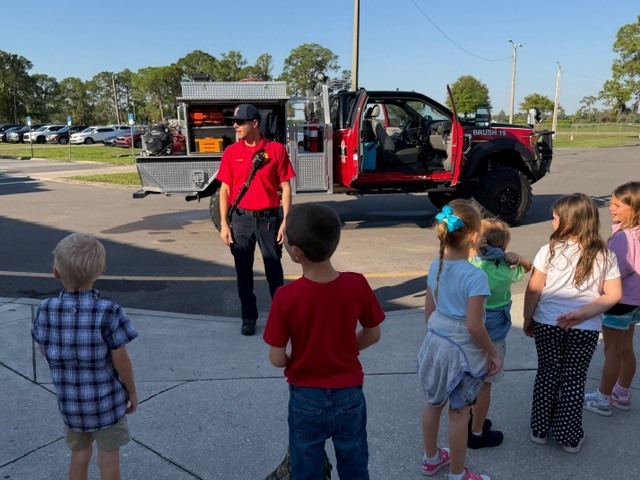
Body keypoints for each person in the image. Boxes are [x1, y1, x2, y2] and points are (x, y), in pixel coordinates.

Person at [263, 202, 385, 480]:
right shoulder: (357, 284)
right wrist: (342, 349)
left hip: (306, 396)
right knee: (354, 462)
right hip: (350, 393)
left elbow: (276, 358)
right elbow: (373, 333)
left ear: (296, 253)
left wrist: (303, 357)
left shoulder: (286, 297)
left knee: (306, 466)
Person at [31, 233, 138, 480]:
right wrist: (131, 392)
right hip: (108, 404)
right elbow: (121, 361)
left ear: (56, 273)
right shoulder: (109, 311)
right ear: (101, 270)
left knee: (79, 456)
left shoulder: (46, 309)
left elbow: (44, 348)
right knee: (109, 460)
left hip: (71, 405)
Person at [523, 193, 621, 453]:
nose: (551, 222)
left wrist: (528, 317)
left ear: (569, 222)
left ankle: (540, 429)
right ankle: (568, 435)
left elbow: (534, 289)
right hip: (584, 329)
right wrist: (584, 314)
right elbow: (613, 294)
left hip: (547, 323)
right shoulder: (604, 254)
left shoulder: (549, 251)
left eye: (555, 218)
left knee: (547, 374)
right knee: (574, 379)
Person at [417, 200, 502, 480]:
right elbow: (475, 326)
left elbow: (429, 311)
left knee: (433, 404)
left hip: (435, 342)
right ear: (474, 236)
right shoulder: (475, 276)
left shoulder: (435, 265)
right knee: (459, 412)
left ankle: (431, 459)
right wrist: (493, 354)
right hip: (461, 352)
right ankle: (457, 473)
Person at [217, 104, 296, 336]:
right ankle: (248, 317)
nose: (235, 126)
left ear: (255, 123)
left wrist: (286, 222)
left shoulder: (276, 150)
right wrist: (224, 224)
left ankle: (280, 319)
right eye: (234, 121)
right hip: (241, 221)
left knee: (274, 273)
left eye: (240, 122)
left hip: (269, 220)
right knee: (244, 274)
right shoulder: (231, 152)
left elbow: (286, 187)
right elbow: (225, 189)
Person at [466, 218, 531, 449]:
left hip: (470, 330)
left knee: (470, 377)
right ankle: (476, 431)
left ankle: (471, 417)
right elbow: (528, 267)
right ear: (503, 247)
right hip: (494, 333)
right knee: (485, 384)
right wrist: (516, 258)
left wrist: (472, 247)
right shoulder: (504, 270)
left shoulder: (471, 266)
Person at [584, 182, 640, 416]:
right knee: (626, 348)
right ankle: (622, 393)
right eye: (612, 203)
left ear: (635, 209)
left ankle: (603, 398)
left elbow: (614, 271)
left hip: (619, 302)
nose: (611, 207)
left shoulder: (623, 238)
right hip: (635, 301)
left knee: (612, 351)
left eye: (618, 205)